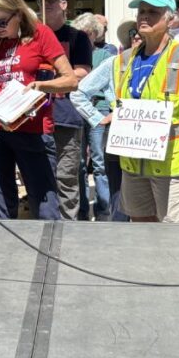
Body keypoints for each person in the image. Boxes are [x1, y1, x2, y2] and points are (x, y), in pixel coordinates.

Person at [0, 0, 78, 220]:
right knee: (2, 200)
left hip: (32, 128)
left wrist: (41, 86)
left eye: (2, 22)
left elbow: (71, 80)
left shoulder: (41, 34)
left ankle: (48, 253)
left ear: (19, 14)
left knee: (44, 201)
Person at [116, 0, 179, 223]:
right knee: (142, 240)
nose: (144, 17)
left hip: (176, 170)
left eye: (153, 12)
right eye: (141, 11)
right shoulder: (124, 60)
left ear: (169, 19)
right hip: (135, 168)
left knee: (176, 243)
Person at [40, 0, 92, 220]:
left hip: (66, 116)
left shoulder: (77, 37)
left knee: (67, 176)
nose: (47, 3)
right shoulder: (33, 36)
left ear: (64, 4)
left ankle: (68, 227)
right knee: (41, 175)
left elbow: (82, 72)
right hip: (36, 118)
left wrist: (49, 79)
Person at [71, 12, 113, 220]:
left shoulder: (104, 56)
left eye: (85, 33)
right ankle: (81, 210)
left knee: (99, 161)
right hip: (78, 108)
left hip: (100, 109)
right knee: (77, 162)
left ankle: (104, 210)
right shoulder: (72, 55)